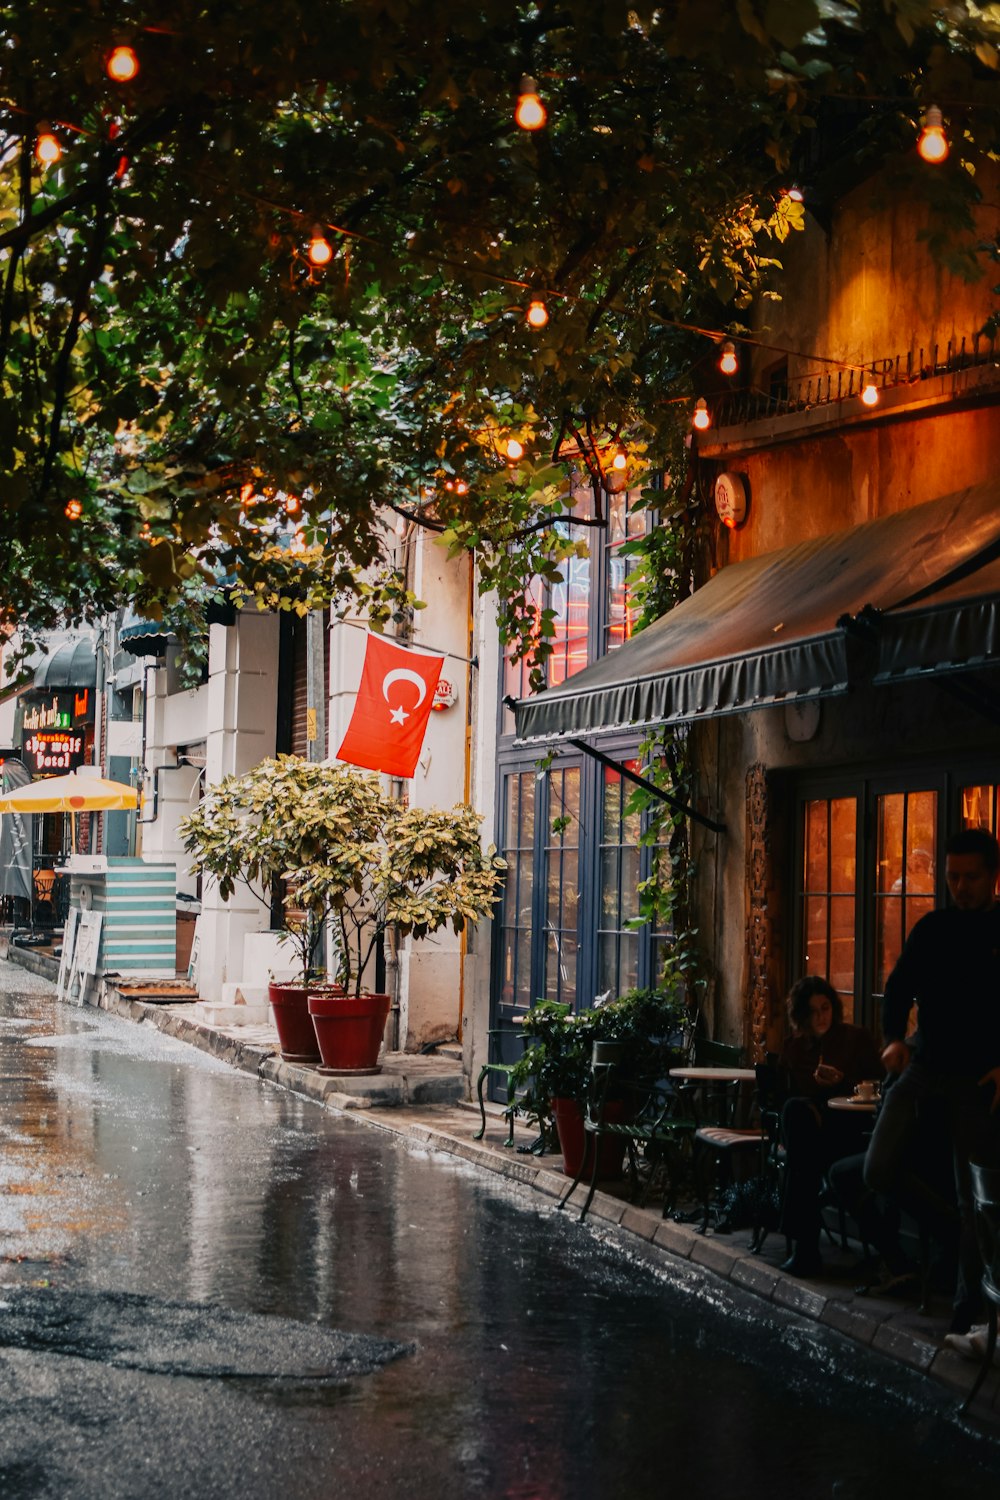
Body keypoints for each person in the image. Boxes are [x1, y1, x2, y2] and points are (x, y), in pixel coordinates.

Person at [863, 826, 1000, 1332]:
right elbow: (899, 985)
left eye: (970, 878)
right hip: (924, 1063)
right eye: (951, 878)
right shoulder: (934, 927)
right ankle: (947, 1229)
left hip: (977, 1077)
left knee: (977, 1201)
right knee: (876, 1168)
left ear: (992, 877)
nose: (959, 887)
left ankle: (968, 1314)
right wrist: (893, 1037)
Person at [777, 976, 883, 1275]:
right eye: (812, 1011)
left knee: (802, 1159)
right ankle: (805, 1248)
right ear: (801, 1015)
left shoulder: (855, 1039)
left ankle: (804, 1247)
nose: (821, 1017)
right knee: (796, 1112)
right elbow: (781, 1097)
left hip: (850, 1132)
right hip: (808, 1135)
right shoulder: (794, 1047)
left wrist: (843, 1083)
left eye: (825, 1008)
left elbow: (878, 1086)